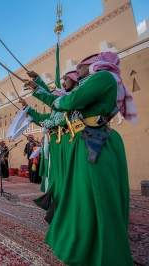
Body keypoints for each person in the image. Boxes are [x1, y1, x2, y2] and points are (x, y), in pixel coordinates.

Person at [25, 52, 136, 265]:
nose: (77, 71)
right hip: (86, 140)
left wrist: (41, 90)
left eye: (79, 67)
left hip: (94, 142)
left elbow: (70, 101)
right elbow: (65, 100)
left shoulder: (103, 78)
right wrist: (39, 86)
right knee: (83, 196)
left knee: (95, 197)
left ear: (93, 64)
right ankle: (85, 244)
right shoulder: (96, 81)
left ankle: (102, 250)